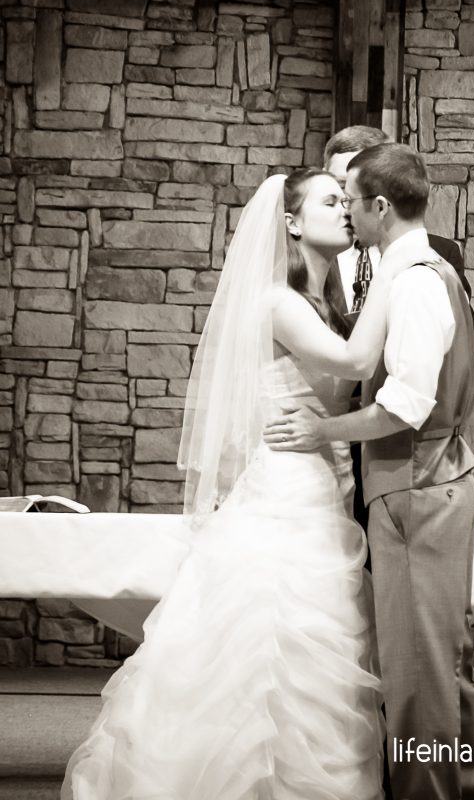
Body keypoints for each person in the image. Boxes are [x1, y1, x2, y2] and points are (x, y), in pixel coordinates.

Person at [61, 168, 407, 800]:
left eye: (345, 200)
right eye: (331, 201)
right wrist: (396, 261)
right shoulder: (278, 300)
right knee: (271, 640)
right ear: (293, 222)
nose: (346, 211)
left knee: (323, 647)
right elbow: (354, 363)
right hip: (288, 489)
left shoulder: (331, 301)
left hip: (326, 481)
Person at [265, 144, 474, 800]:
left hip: (416, 487)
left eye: (350, 198)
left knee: (418, 678)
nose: (345, 211)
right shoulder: (408, 269)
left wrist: (321, 430)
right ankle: (467, 791)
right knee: (439, 664)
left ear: (380, 207)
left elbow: (403, 404)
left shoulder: (417, 279)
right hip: (421, 484)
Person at [323, 125, 474, 353]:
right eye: (339, 186)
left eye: (357, 189)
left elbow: (466, 342)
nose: (346, 203)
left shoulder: (439, 253)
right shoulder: (310, 252)